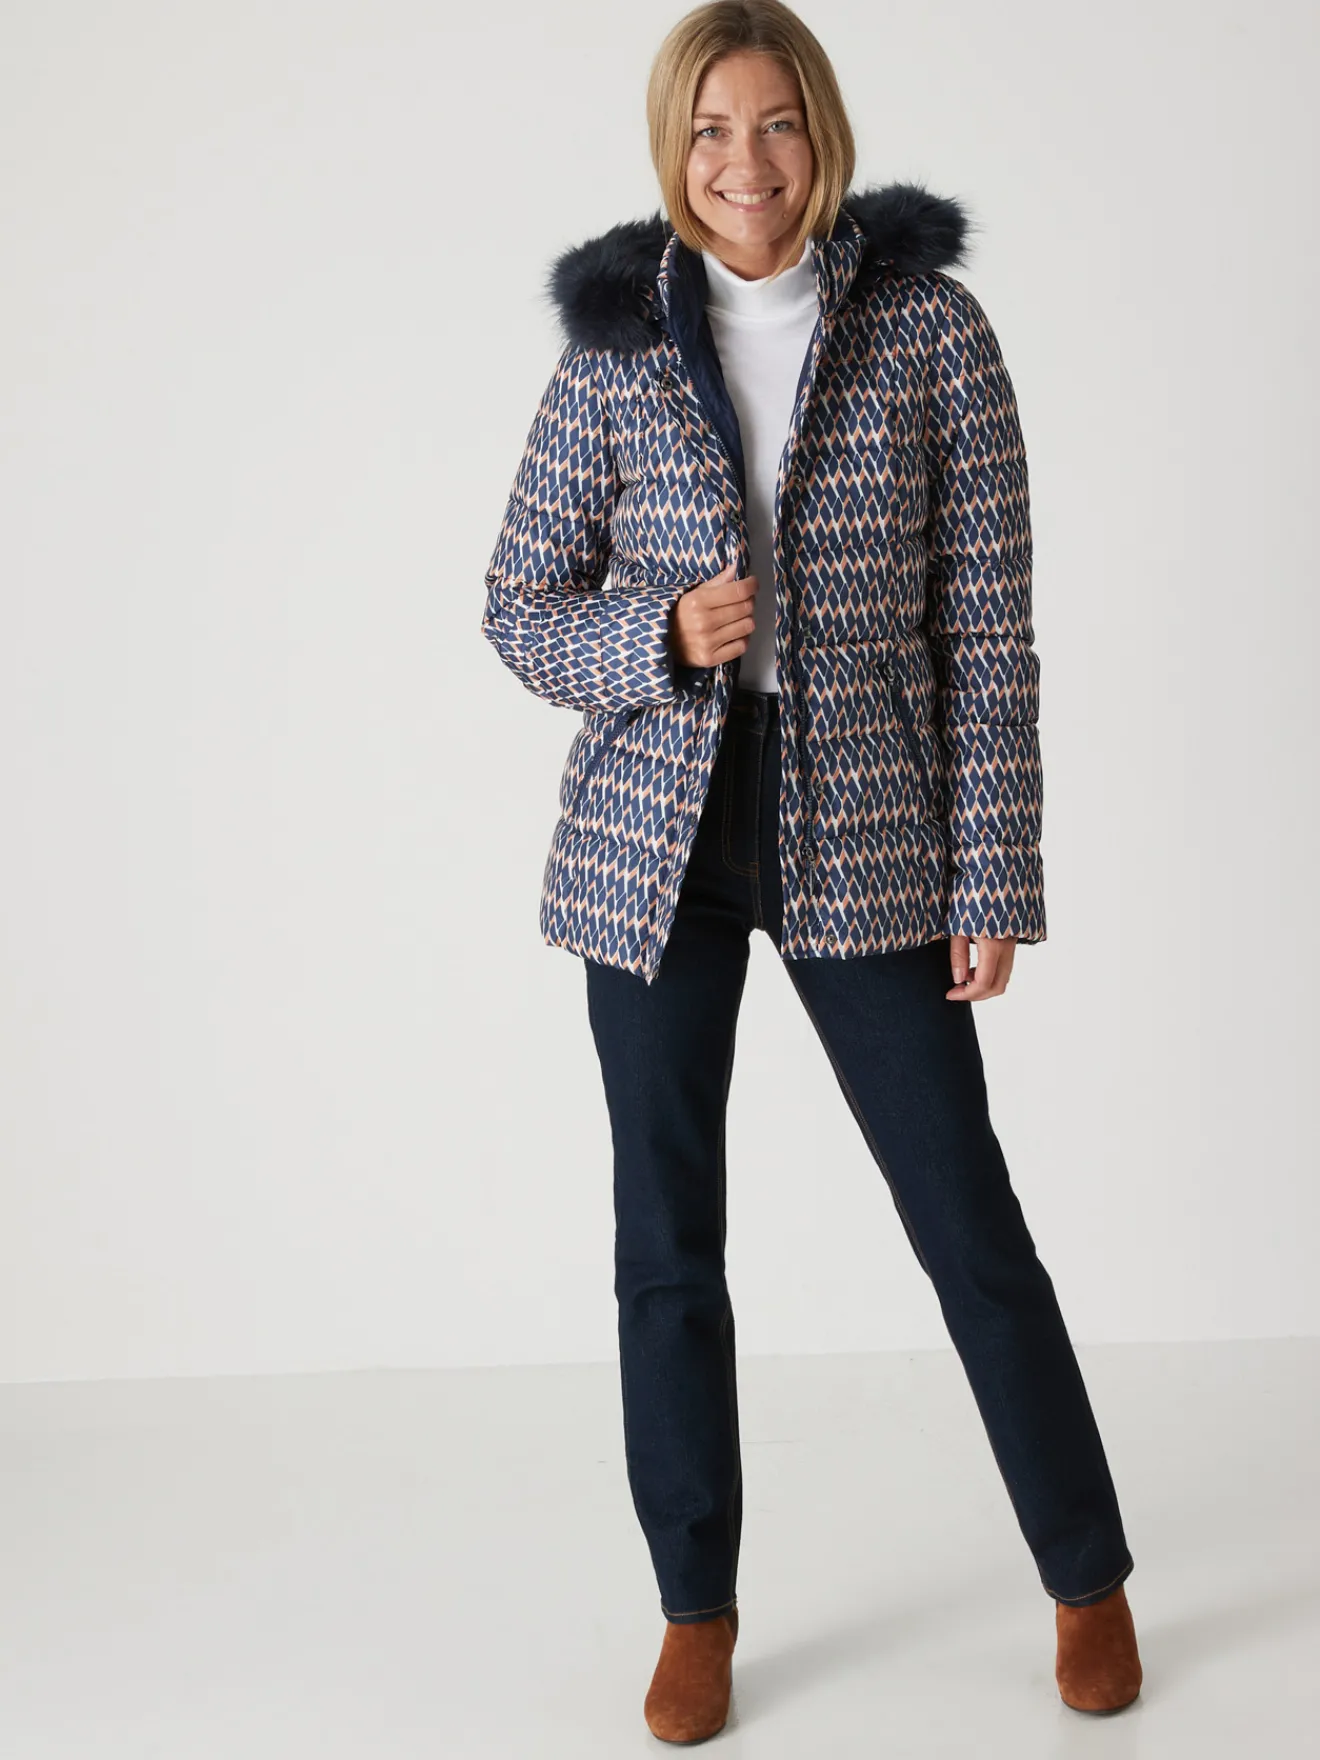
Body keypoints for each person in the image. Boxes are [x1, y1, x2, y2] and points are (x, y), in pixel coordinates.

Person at [481, 0, 1143, 1742]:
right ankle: (694, 1609)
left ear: (820, 133)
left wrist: (995, 876)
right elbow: (519, 605)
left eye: (775, 122)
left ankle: (1088, 1579)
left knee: (965, 1218)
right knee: (664, 1243)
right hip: (657, 841)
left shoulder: (930, 329)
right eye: (712, 128)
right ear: (674, 146)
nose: (746, 161)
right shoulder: (613, 344)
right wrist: (657, 636)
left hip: (871, 822)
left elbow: (988, 632)